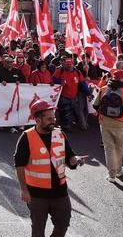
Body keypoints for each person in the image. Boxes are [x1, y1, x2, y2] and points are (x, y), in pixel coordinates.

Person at [14, 99, 86, 237]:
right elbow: (19, 165)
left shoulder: (59, 134)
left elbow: (69, 156)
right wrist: (23, 190)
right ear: (38, 120)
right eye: (49, 118)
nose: (53, 120)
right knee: (38, 230)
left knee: (63, 224)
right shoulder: (26, 137)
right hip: (36, 195)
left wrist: (75, 160)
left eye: (53, 117)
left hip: (60, 192)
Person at [92, 69, 123, 182]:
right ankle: (118, 170)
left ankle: (111, 175)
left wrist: (103, 114)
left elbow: (95, 105)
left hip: (104, 122)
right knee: (118, 148)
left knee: (109, 149)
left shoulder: (103, 89)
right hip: (121, 123)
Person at [52, 58, 84, 132]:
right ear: (65, 65)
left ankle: (67, 125)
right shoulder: (60, 71)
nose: (69, 66)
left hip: (73, 96)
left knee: (71, 111)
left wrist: (88, 93)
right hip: (63, 95)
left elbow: (82, 83)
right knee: (65, 111)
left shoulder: (78, 72)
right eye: (67, 65)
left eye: (70, 64)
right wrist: (60, 82)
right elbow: (53, 79)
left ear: (73, 64)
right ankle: (66, 127)